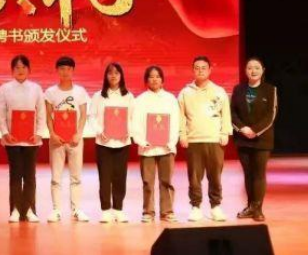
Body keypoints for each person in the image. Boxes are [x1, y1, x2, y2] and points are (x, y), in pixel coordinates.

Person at [178, 56, 232, 222]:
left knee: (215, 175)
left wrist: (225, 133)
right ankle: (196, 207)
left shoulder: (219, 91)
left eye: (203, 68)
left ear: (209, 70)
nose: (200, 71)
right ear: (193, 70)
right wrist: (182, 134)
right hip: (194, 140)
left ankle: (215, 206)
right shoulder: (185, 92)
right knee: (194, 176)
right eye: (197, 68)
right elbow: (181, 116)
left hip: (214, 139)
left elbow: (225, 114)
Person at [0, 55, 46, 223]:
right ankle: (16, 210)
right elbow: (0, 113)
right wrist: (5, 133)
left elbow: (41, 112)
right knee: (15, 175)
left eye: (23, 67)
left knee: (30, 176)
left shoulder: (36, 88)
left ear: (29, 70)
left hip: (31, 140)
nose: (20, 70)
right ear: (12, 70)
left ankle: (30, 209)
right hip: (12, 140)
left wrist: (39, 133)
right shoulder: (5, 89)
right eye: (17, 67)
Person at [231, 57, 277, 222]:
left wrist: (255, 131)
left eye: (257, 68)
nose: (253, 70)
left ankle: (257, 209)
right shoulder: (238, 89)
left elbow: (271, 115)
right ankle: (250, 206)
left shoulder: (270, 90)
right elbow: (232, 113)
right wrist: (242, 128)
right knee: (248, 174)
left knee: (258, 174)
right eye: (250, 68)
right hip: (242, 138)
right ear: (245, 71)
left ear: (262, 71)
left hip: (262, 139)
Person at [132, 66, 180, 223]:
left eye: (158, 76)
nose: (154, 79)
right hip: (147, 148)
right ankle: (148, 211)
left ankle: (167, 211)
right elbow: (135, 123)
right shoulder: (139, 100)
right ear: (146, 80)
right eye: (151, 77)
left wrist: (171, 141)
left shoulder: (170, 99)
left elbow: (175, 122)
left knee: (167, 181)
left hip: (166, 147)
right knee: (148, 182)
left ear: (162, 80)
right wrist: (141, 140)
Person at [45, 56, 90, 223]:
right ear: (57, 70)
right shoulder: (50, 92)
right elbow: (48, 116)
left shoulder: (80, 92)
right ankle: (56, 210)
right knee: (56, 177)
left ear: (73, 71)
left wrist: (79, 133)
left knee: (76, 177)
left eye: (68, 69)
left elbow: (83, 115)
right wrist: (52, 134)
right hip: (56, 140)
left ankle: (76, 209)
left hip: (74, 140)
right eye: (62, 69)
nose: (65, 72)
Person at [89, 62, 134, 223]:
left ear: (121, 76)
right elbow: (92, 116)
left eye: (116, 73)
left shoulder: (128, 96)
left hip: (122, 142)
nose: (113, 76)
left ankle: (118, 209)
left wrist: (128, 131)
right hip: (104, 143)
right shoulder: (98, 96)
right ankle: (106, 210)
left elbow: (132, 117)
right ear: (106, 76)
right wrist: (99, 131)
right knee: (105, 177)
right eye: (110, 73)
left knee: (120, 177)